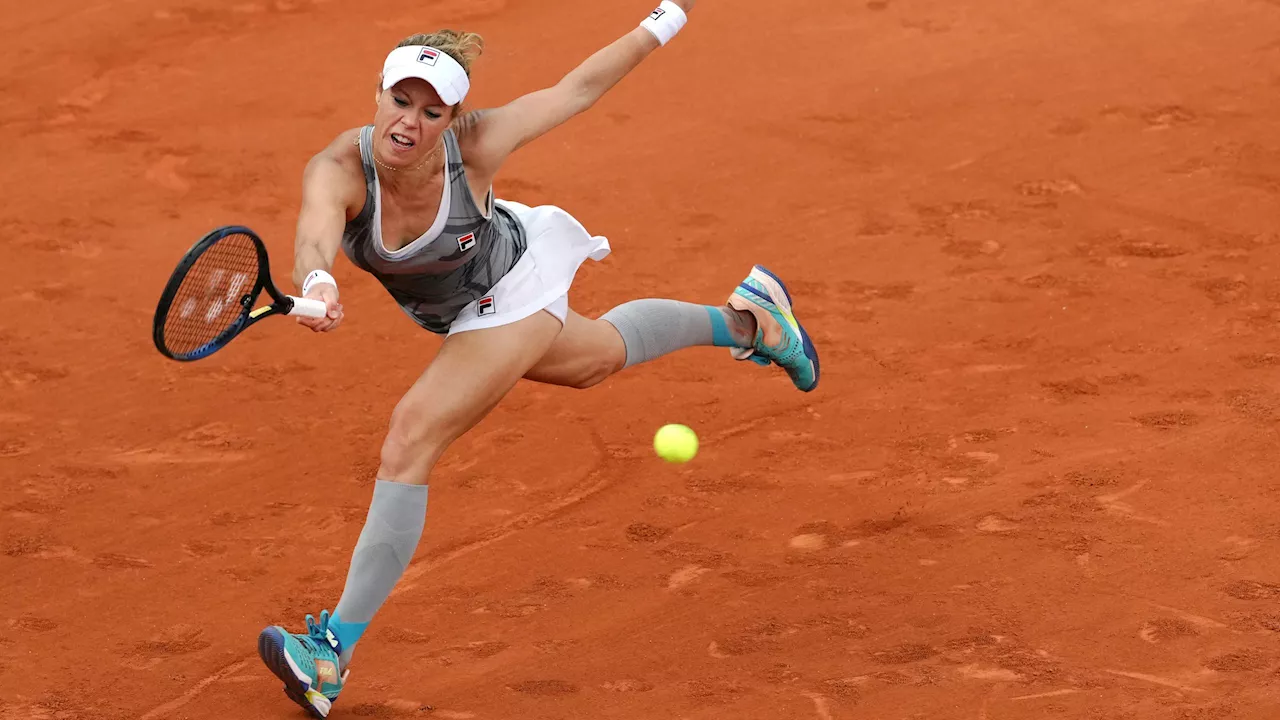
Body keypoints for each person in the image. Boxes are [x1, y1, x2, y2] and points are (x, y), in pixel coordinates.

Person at [255, 2, 819, 716]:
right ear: (378, 92)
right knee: (598, 357)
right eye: (400, 100)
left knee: (410, 436)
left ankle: (331, 650)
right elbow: (313, 236)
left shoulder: (479, 143)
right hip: (464, 310)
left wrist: (663, 21)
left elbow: (575, 89)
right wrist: (318, 281)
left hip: (511, 286)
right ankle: (752, 322)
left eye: (431, 112)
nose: (409, 122)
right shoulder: (340, 168)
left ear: (453, 118)